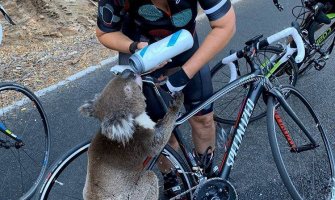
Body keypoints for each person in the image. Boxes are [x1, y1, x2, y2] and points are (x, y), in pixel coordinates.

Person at [96, 0, 236, 197]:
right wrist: (134, 46)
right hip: (143, 51)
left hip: (184, 47)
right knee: (160, 128)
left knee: (203, 119)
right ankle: (171, 175)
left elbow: (225, 24)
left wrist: (185, 73)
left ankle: (205, 173)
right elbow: (104, 32)